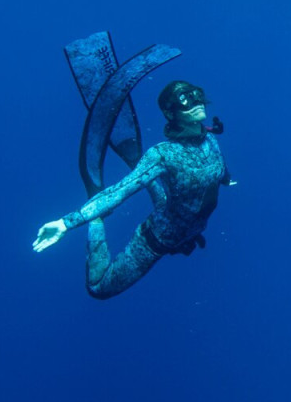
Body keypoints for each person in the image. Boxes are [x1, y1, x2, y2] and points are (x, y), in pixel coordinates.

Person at [32, 81, 234, 299]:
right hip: (156, 239)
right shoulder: (163, 154)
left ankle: (143, 174)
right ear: (169, 111)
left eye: (197, 94)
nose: (196, 102)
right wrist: (66, 223)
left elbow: (218, 167)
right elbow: (119, 192)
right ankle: (97, 217)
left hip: (181, 224)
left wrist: (226, 179)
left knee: (164, 199)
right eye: (185, 98)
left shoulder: (211, 140)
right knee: (98, 289)